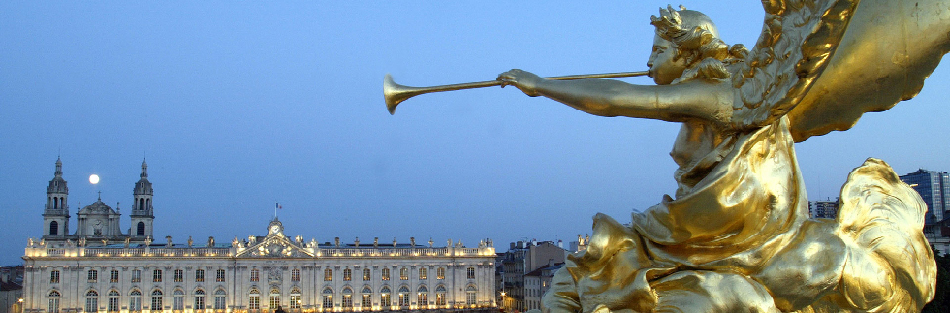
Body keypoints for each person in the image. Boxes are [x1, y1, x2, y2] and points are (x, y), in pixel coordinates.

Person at [497, 6, 933, 313]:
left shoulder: (719, 96)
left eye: (659, 51)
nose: (649, 62)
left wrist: (540, 84)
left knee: (608, 268)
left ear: (687, 52)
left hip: (734, 237)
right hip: (702, 231)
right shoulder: (723, 95)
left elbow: (617, 101)